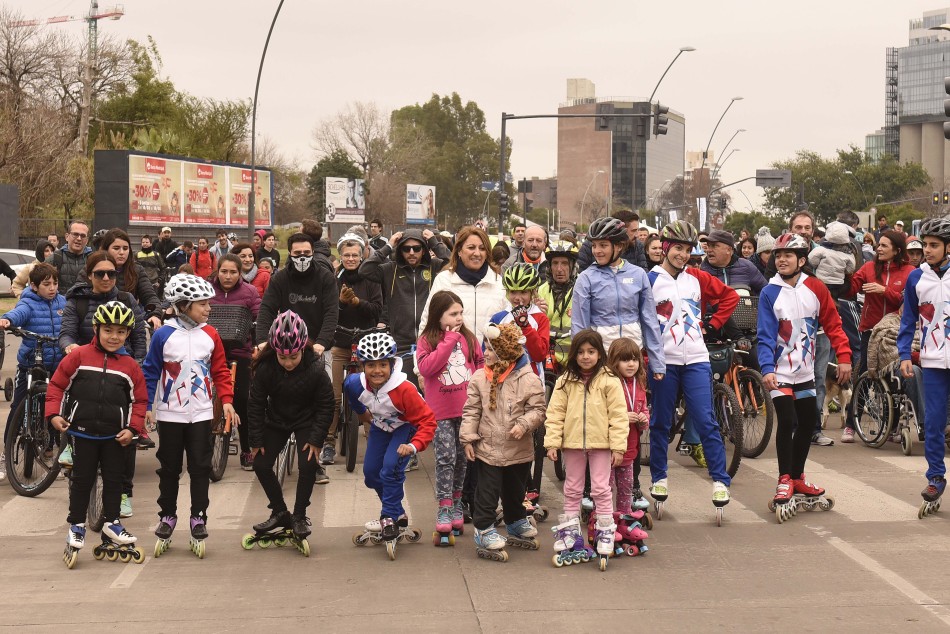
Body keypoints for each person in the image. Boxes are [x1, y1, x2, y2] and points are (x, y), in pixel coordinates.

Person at [647, 221, 738, 509]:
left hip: (697, 359)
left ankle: (720, 481)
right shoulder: (649, 280)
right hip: (664, 362)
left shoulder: (697, 277)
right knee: (660, 422)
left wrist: (713, 324)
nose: (683, 255)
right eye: (678, 248)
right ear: (665, 248)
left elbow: (730, 296)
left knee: (706, 420)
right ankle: (659, 478)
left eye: (688, 250)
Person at [143, 274, 237, 553]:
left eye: (208, 303)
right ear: (183, 306)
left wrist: (227, 400)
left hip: (201, 414)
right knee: (169, 468)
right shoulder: (163, 335)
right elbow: (150, 372)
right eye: (202, 304)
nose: (209, 308)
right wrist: (147, 407)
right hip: (170, 414)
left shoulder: (210, 334)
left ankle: (198, 517)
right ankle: (167, 516)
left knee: (200, 467)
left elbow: (220, 370)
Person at [47, 301, 147, 562]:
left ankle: (112, 523)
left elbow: (139, 401)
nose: (114, 337)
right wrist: (54, 414)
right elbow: (57, 385)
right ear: (96, 329)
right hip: (82, 433)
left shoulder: (130, 365)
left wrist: (133, 428)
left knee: (115, 480)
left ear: (128, 334)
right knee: (82, 480)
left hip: (115, 436)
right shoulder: (79, 356)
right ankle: (77, 525)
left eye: (121, 332)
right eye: (108, 330)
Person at [758, 233, 851, 510]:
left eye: (788, 255)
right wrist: (766, 368)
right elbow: (765, 336)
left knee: (809, 422)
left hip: (805, 373)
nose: (781, 260)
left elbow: (833, 324)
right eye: (778, 255)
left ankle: (797, 477)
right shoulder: (769, 292)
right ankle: (784, 479)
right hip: (780, 372)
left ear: (801, 260)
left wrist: (844, 357)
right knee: (787, 421)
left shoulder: (816, 287)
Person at [247, 311, 334, 542]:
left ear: (303, 348)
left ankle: (299, 516)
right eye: (282, 357)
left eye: (293, 357)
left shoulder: (316, 367)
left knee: (308, 464)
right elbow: (255, 404)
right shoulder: (265, 367)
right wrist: (256, 439)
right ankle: (280, 512)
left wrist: (316, 439)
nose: (288, 362)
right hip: (277, 419)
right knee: (260, 463)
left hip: (307, 420)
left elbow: (327, 405)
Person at [460, 322, 545, 557]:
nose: (485, 353)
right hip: (488, 448)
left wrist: (524, 424)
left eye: (491, 349)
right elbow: (471, 411)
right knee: (486, 493)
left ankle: (515, 521)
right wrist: (468, 439)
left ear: (505, 352)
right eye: (485, 348)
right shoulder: (480, 378)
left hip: (518, 449)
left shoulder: (529, 379)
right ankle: (484, 529)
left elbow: (538, 409)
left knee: (515, 491)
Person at [343, 332, 436, 544]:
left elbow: (428, 420)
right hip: (380, 427)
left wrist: (414, 445)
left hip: (405, 427)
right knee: (371, 474)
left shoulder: (404, 389)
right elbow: (351, 394)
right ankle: (397, 511)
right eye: (371, 365)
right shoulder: (355, 383)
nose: (377, 371)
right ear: (362, 366)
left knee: (390, 468)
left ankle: (389, 517)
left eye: (383, 365)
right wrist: (362, 414)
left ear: (392, 365)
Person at [544, 329, 628, 564]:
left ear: (600, 353)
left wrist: (618, 447)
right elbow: (555, 413)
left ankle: (605, 531)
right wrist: (552, 442)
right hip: (572, 444)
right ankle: (570, 533)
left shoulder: (610, 380)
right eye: (580, 352)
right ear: (574, 354)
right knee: (572, 489)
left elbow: (619, 416)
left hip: (601, 444)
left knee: (601, 489)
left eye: (591, 351)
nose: (585, 356)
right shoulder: (565, 381)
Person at [416, 290, 484, 542]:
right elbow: (426, 368)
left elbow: (479, 368)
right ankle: (444, 507)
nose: (459, 318)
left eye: (461, 313)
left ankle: (456, 502)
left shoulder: (470, 338)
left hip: (466, 411)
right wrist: (449, 340)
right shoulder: (427, 340)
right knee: (445, 458)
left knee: (462, 459)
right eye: (453, 313)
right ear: (438, 315)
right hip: (441, 413)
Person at [841, 230, 913, 443]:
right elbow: (850, 290)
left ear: (897, 250)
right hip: (869, 331)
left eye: (884, 245)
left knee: (894, 379)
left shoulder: (910, 272)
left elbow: (907, 301)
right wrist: (846, 274)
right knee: (865, 374)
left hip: (895, 332)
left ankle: (893, 427)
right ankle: (851, 426)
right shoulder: (868, 268)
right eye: (878, 245)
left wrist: (884, 290)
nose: (878, 249)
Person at [898, 218, 950, 509]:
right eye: (925, 244)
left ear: (948, 247)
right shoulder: (916, 278)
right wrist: (904, 354)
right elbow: (908, 319)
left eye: (933, 245)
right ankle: (935, 478)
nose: (927, 250)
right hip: (932, 362)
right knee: (933, 422)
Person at [358, 228, 452, 385]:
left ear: (424, 249)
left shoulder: (434, 267)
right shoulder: (390, 269)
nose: (411, 253)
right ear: (400, 250)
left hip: (431, 342)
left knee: (431, 395)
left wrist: (435, 243)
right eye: (406, 249)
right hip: (402, 345)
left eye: (417, 248)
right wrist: (388, 246)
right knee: (405, 394)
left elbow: (454, 264)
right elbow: (364, 270)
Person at [321, 233, 382, 467]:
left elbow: (377, 309)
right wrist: (340, 302)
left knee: (370, 394)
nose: (350, 259)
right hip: (341, 342)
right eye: (346, 255)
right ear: (340, 256)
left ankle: (373, 441)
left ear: (362, 256)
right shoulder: (333, 279)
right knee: (334, 397)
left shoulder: (371, 279)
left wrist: (357, 303)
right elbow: (328, 311)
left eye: (355, 255)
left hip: (367, 344)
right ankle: (329, 442)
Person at [0, 263, 66, 482]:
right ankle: (6, 453)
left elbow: (72, 322)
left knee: (56, 408)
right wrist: (7, 320)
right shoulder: (28, 302)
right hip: (31, 363)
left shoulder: (63, 302)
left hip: (57, 365)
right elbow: (18, 313)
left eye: (55, 283)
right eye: (46, 284)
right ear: (34, 286)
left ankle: (51, 450)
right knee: (18, 407)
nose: (52, 288)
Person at [571, 216, 664, 359]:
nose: (596, 251)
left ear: (619, 246)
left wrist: (657, 363)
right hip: (602, 357)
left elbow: (650, 321)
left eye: (603, 245)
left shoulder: (639, 274)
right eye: (594, 245)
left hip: (633, 356)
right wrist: (581, 363)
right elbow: (579, 326)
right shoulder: (586, 278)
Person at [210, 254, 261, 471]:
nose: (228, 276)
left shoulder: (250, 292)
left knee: (242, 400)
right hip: (211, 352)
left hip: (240, 352)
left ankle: (247, 449)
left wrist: (258, 343)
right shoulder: (207, 289)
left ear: (240, 273)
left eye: (233, 272)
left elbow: (260, 318)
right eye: (224, 271)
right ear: (217, 271)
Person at [256, 232, 339, 363]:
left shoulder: (326, 277)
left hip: (318, 348)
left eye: (306, 252)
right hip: (287, 349)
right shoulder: (279, 279)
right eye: (297, 253)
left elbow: (331, 311)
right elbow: (267, 309)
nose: (302, 256)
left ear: (313, 252)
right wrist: (262, 340)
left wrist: (322, 342)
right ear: (290, 253)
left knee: (324, 375)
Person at [418, 226, 506, 346]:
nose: (477, 253)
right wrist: (422, 354)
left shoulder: (498, 283)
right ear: (459, 251)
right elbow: (428, 322)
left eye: (482, 248)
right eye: (471, 247)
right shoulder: (444, 280)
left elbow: (507, 325)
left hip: (489, 356)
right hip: (452, 356)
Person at [605, 338, 649, 515]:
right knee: (606, 487)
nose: (631, 364)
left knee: (626, 486)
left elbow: (644, 408)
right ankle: (603, 517)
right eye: (625, 360)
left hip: (630, 446)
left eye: (635, 359)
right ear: (614, 361)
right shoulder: (608, 383)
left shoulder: (640, 383)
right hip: (607, 447)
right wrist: (622, 417)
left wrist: (643, 419)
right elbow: (600, 413)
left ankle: (624, 515)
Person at [100, 229, 163, 332]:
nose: (121, 252)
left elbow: (149, 296)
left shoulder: (137, 270)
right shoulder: (93, 268)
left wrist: (154, 314)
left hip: (128, 327)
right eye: (116, 248)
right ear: (106, 249)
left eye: (125, 248)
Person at [536, 241, 577, 369]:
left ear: (572, 266)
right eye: (555, 263)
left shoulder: (581, 290)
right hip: (546, 358)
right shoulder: (541, 290)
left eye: (564, 263)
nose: (559, 269)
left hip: (573, 359)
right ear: (549, 266)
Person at [701, 229, 767, 295]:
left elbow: (766, 292)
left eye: (714, 246)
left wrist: (753, 300)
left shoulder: (747, 267)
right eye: (708, 246)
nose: (709, 250)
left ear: (729, 250)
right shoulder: (702, 271)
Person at [577, 210, 648, 271]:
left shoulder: (638, 246)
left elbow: (643, 273)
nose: (637, 235)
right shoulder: (588, 246)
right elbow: (581, 273)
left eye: (603, 245)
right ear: (621, 230)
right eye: (633, 231)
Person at [808, 221, 857, 300]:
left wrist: (818, 265)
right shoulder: (848, 253)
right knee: (835, 298)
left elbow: (812, 260)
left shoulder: (821, 249)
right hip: (838, 284)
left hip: (822, 281)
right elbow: (850, 269)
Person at [46, 220, 92, 293]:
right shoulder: (53, 259)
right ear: (67, 237)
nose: (79, 238)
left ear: (87, 240)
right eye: (75, 234)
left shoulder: (93, 260)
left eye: (83, 236)